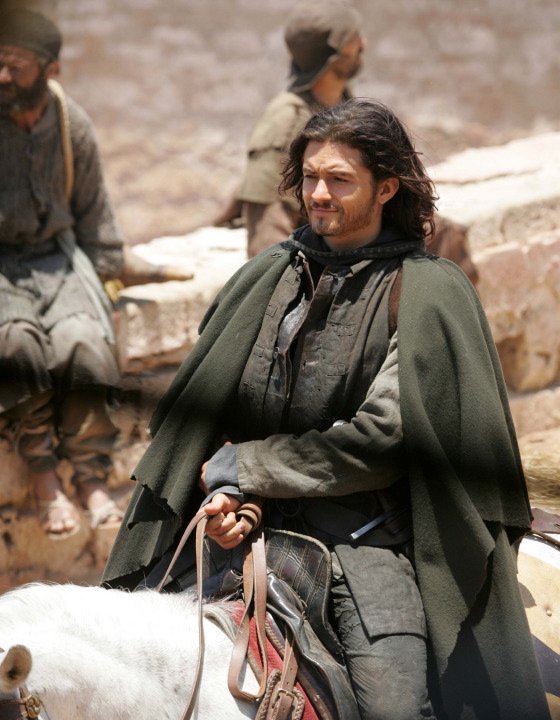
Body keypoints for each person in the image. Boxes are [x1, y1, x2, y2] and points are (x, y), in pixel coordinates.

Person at [103, 99, 549, 720]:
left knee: (394, 709)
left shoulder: (425, 292)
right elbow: (217, 417)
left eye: (340, 180)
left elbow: (382, 440)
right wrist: (231, 498)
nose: (318, 193)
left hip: (366, 542)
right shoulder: (267, 277)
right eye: (311, 176)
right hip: (257, 522)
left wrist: (248, 467)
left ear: (386, 188)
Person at [0, 8, 124, 539]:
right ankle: (44, 474)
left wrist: (106, 281)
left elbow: (95, 214)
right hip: (2, 267)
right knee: (16, 343)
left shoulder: (74, 126)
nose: (3, 76)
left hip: (59, 258)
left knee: (84, 342)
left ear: (50, 69)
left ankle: (91, 477)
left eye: (17, 65)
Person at [214, 0, 365, 258]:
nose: (363, 44)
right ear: (334, 56)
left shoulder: (346, 106)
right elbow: (268, 242)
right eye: (353, 39)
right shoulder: (286, 123)